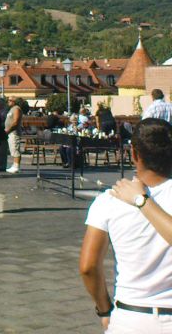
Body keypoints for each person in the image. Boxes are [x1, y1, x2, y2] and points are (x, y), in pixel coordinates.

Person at [79, 119, 172, 333]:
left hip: (131, 316)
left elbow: (88, 267)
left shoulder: (109, 200)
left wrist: (104, 309)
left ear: (134, 154)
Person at [5, 97, 24, 174]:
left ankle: (16, 167)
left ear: (14, 102)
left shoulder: (16, 109)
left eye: (10, 100)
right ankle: (14, 165)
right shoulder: (12, 108)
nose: (8, 101)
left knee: (15, 148)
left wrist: (8, 129)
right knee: (12, 149)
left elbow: (16, 121)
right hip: (10, 132)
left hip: (14, 132)